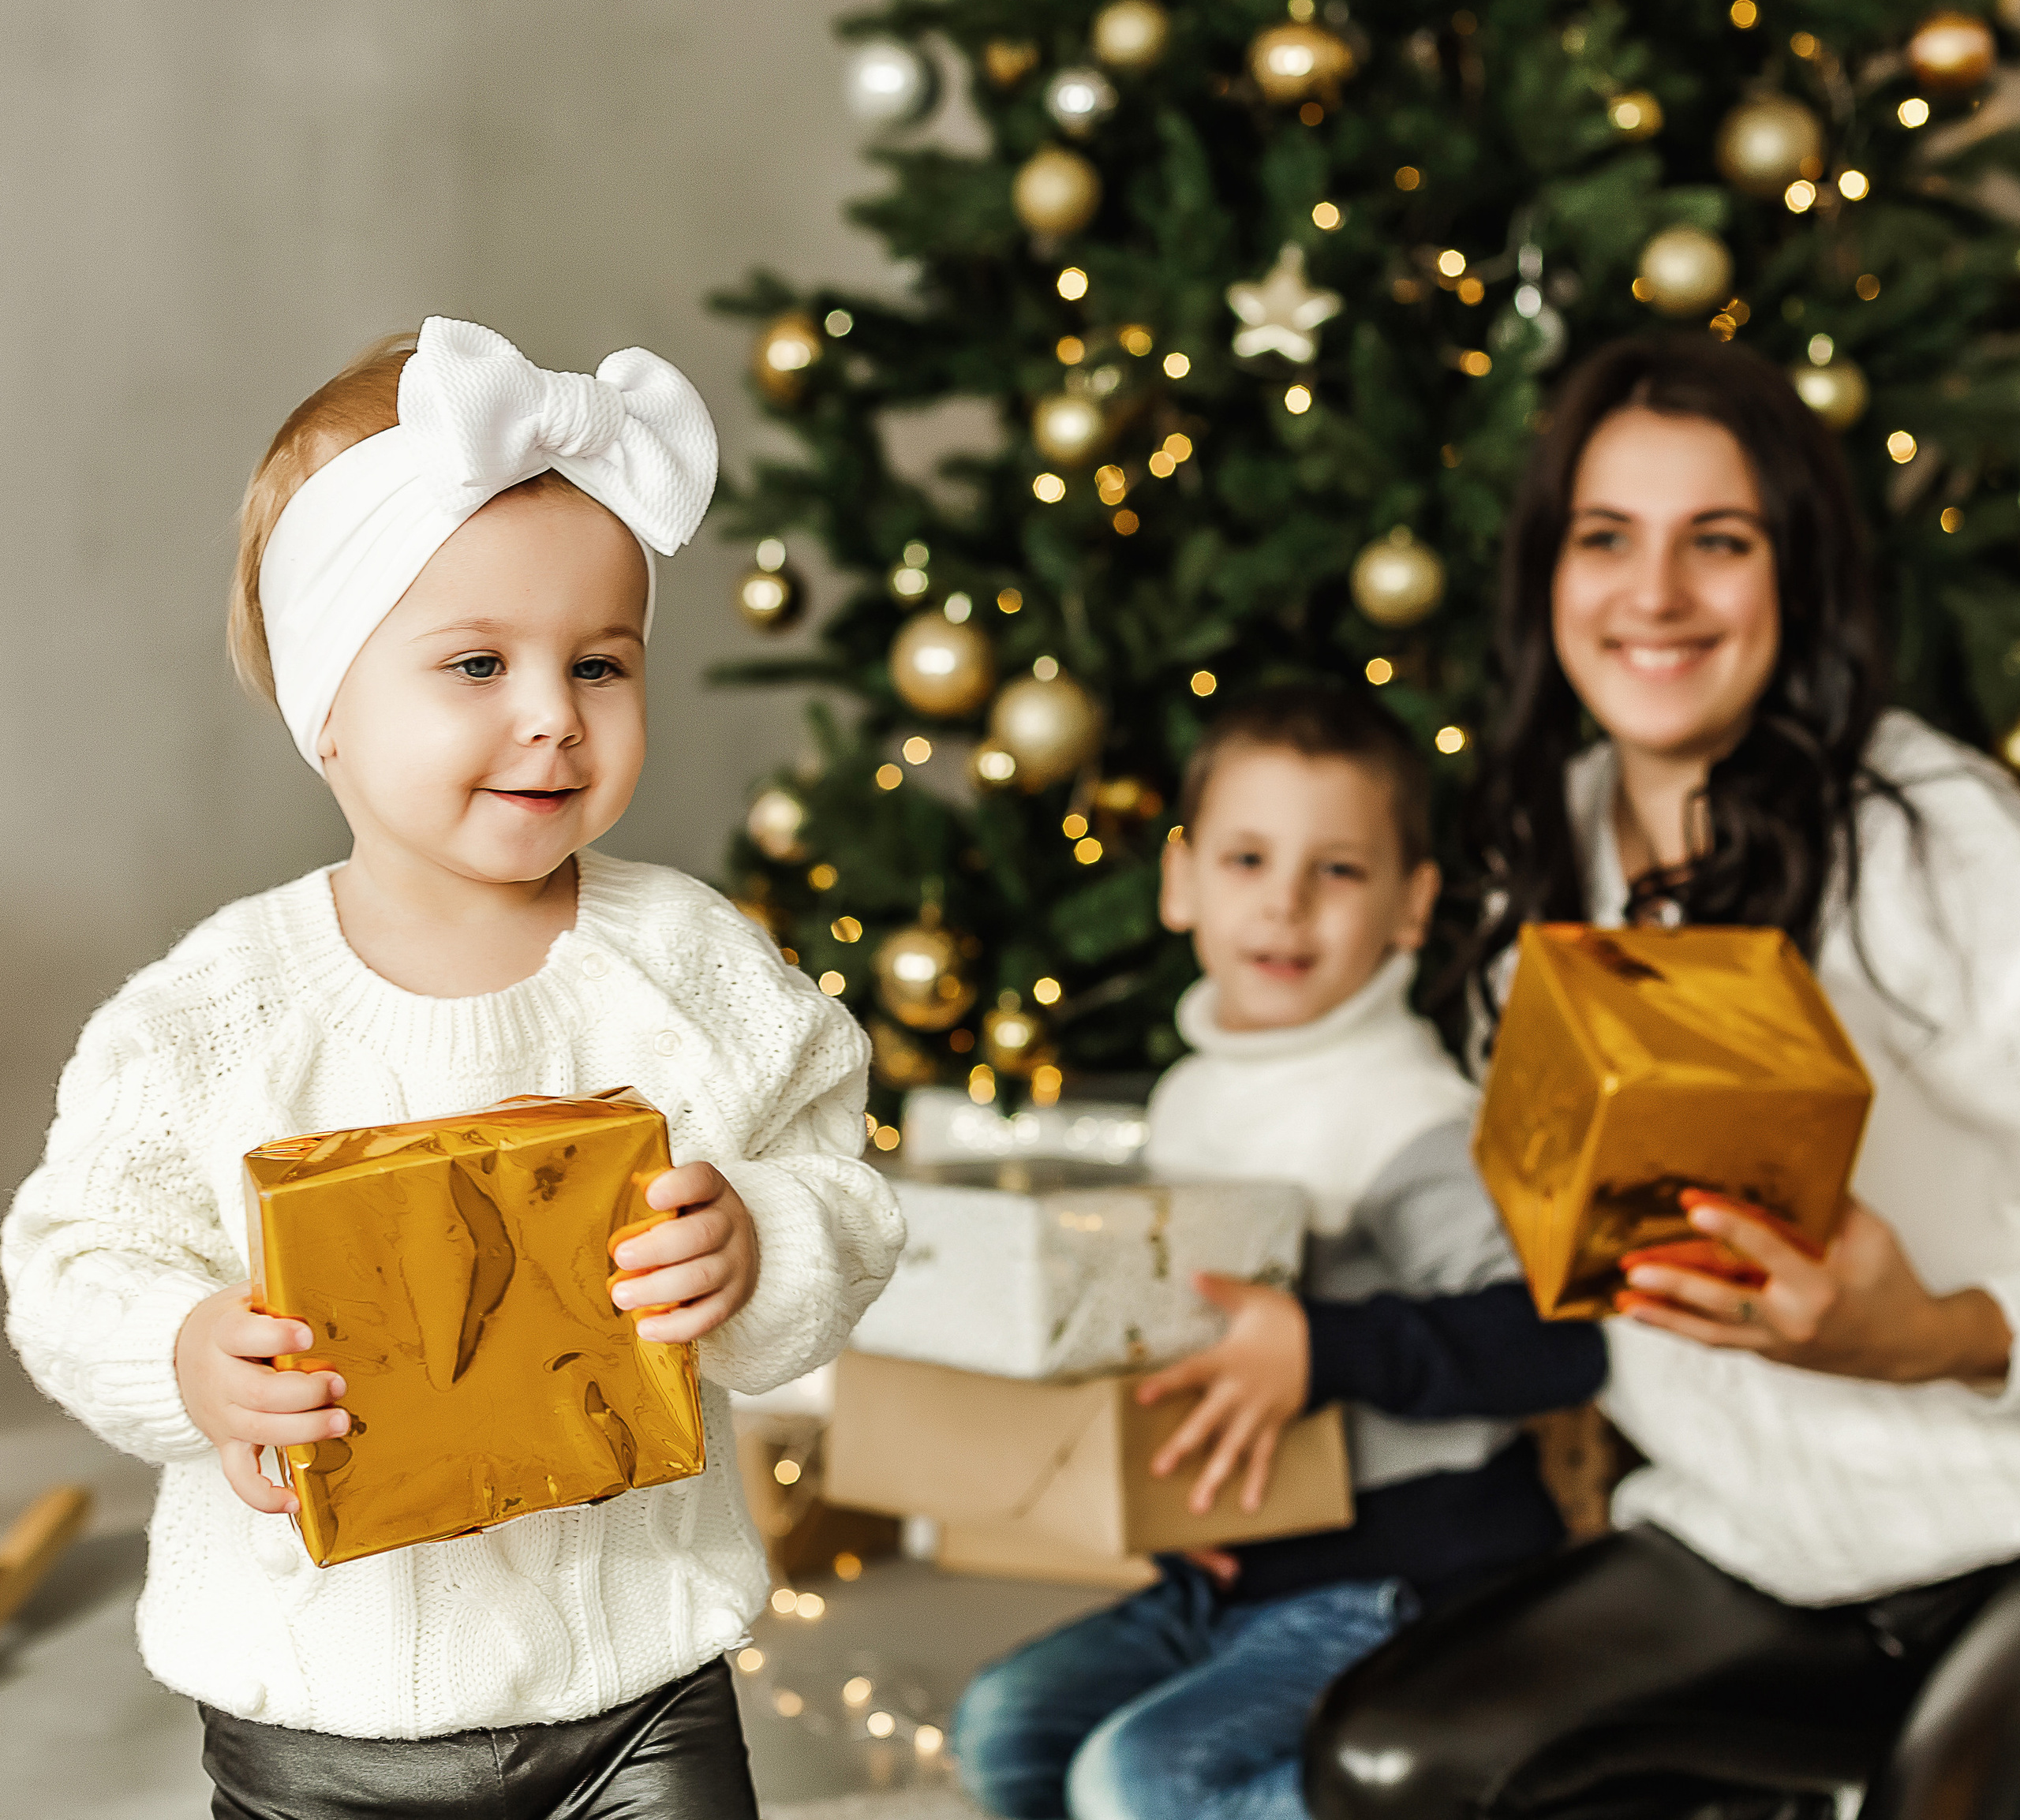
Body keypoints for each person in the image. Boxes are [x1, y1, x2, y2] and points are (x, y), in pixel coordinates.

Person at [1, 319, 903, 1819]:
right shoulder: (218, 1014)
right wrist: (184, 1354)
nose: (552, 712)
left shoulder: (689, 967)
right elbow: (67, 1256)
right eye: (477, 662)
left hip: (638, 1693)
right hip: (320, 1716)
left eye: (599, 662)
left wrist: (760, 1240)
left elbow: (843, 1187)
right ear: (327, 705)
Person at [1304, 335, 2020, 1820]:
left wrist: (1939, 1332)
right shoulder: (1535, 860)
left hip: (1998, 1522)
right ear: (1548, 577)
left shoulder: (1936, 833)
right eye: (1607, 538)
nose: (1656, 595)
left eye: (1722, 542)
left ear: (1796, 576)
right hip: (1745, 1541)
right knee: (1385, 1765)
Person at [953, 686, 1605, 1820]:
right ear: (1180, 881)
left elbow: (1552, 1340)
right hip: (1234, 1565)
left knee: (1140, 1780)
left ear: (1412, 907)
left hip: (1403, 1575)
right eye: (1248, 859)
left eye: (1338, 871)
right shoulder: (1194, 1099)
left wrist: (1324, 1349)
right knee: (1008, 1726)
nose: (1286, 907)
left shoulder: (1406, 1116)